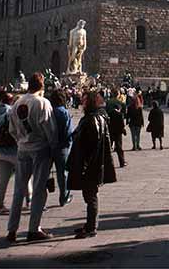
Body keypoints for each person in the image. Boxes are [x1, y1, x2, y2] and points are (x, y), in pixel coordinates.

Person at [6, 72, 57, 243]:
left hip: (22, 149)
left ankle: (12, 230)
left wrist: (21, 140)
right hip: (40, 149)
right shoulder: (42, 103)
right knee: (38, 189)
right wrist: (53, 146)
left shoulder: (17, 102)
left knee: (19, 190)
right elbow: (50, 128)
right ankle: (34, 229)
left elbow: (12, 130)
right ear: (42, 85)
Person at [67, 90, 117, 238]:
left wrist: (84, 165)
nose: (81, 103)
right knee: (89, 196)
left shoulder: (91, 120)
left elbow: (90, 145)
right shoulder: (97, 117)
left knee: (91, 196)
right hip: (93, 164)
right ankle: (89, 225)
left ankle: (91, 228)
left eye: (84, 100)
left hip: (90, 165)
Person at [0, 93, 33, 213]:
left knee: (2, 180)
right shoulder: (23, 115)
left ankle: (0, 205)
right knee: (25, 177)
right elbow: (27, 132)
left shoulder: (6, 114)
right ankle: (29, 201)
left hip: (2, 151)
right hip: (18, 151)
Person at [50, 89, 74, 206]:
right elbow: (68, 131)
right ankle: (64, 196)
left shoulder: (48, 111)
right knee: (62, 173)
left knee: (44, 172)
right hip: (62, 147)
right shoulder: (64, 112)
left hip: (48, 146)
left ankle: (40, 199)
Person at [107, 100, 127, 167]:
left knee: (109, 147)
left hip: (111, 132)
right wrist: (124, 131)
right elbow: (122, 124)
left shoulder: (109, 114)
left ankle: (108, 163)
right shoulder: (120, 114)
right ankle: (122, 162)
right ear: (118, 108)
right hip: (118, 133)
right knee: (119, 148)